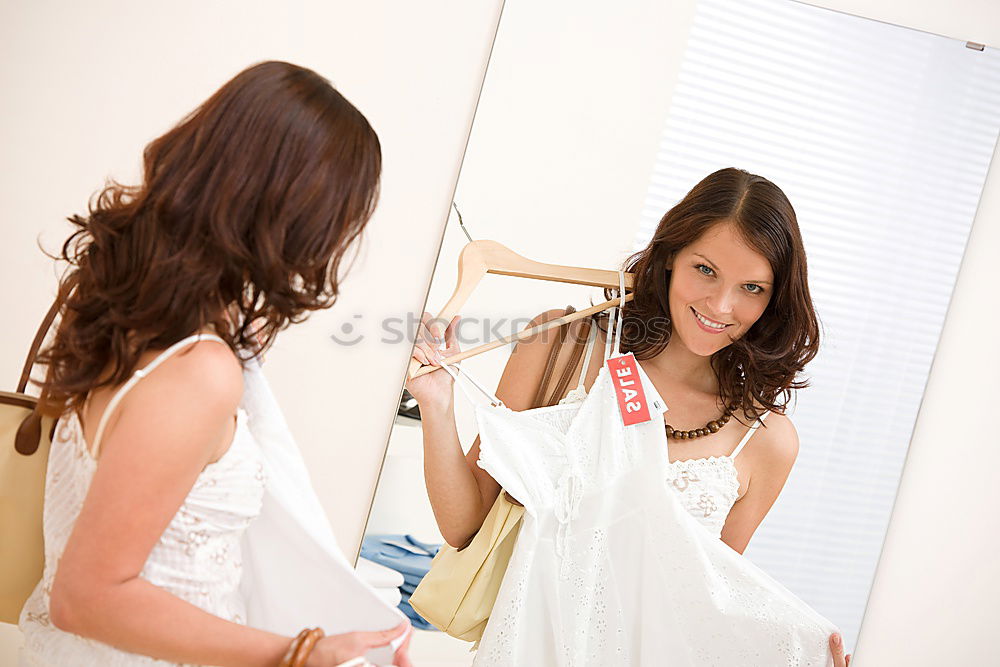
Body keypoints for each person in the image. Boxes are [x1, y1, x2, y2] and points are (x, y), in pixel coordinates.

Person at [19, 61, 411, 666]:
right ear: (293, 216)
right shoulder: (198, 371)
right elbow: (86, 596)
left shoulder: (131, 318)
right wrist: (298, 653)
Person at [406, 167, 852, 666]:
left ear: (774, 300)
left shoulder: (766, 441)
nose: (721, 305)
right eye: (705, 270)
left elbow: (704, 618)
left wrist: (798, 649)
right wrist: (437, 403)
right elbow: (465, 526)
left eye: (752, 287)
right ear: (669, 258)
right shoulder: (562, 345)